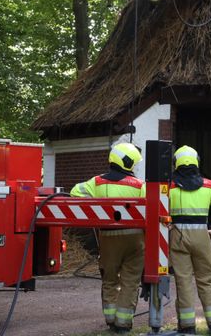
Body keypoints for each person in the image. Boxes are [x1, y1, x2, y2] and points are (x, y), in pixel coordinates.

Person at [70, 142, 145, 333]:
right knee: (131, 281)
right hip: (135, 237)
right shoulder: (139, 185)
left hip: (108, 237)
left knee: (110, 279)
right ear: (129, 164)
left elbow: (75, 193)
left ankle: (111, 320)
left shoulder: (96, 182)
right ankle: (124, 324)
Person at [169, 145, 211, 335]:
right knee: (205, 281)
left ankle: (187, 327)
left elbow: (154, 207)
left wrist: (169, 225)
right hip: (202, 237)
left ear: (176, 163)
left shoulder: (168, 186)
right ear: (197, 161)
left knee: (184, 281)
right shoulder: (208, 185)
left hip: (177, 237)